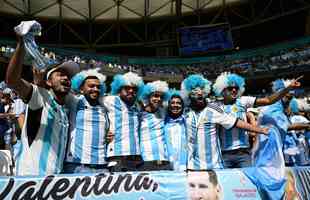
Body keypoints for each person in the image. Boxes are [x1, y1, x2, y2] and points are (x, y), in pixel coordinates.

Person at [5, 36, 79, 175]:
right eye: (60, 74)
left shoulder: (64, 109)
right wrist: (22, 44)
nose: (66, 78)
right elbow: (12, 81)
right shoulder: (40, 96)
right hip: (31, 178)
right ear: (49, 82)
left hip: (55, 178)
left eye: (68, 77)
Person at [212, 72, 301, 168]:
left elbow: (268, 100)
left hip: (243, 153)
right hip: (224, 153)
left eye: (236, 88)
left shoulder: (243, 101)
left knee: (248, 181)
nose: (234, 90)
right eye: (230, 88)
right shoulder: (216, 106)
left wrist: (287, 88)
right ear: (222, 90)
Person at [181, 74, 268, 170]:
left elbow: (236, 122)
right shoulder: (185, 112)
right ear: (189, 94)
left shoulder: (214, 109)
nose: (199, 92)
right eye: (194, 90)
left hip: (214, 165)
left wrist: (259, 129)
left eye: (201, 89)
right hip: (192, 166)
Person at [63, 68, 111, 173]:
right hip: (77, 164)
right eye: (91, 86)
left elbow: (108, 131)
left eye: (98, 87)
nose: (96, 89)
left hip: (102, 165)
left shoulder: (104, 107)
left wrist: (109, 136)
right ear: (81, 88)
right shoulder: (74, 101)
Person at [103, 72, 144, 172]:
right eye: (127, 88)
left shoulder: (138, 106)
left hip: (136, 156)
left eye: (134, 89)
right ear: (119, 89)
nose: (131, 91)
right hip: (117, 155)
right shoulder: (108, 100)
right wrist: (103, 132)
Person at [138, 80, 171, 170]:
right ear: (148, 97)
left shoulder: (163, 112)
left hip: (163, 158)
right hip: (145, 159)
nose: (158, 99)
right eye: (155, 96)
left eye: (161, 97)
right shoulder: (139, 114)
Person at [164, 90, 187, 171]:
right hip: (166, 165)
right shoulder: (162, 121)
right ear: (168, 105)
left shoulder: (188, 121)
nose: (175, 105)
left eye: (178, 103)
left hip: (185, 165)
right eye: (172, 102)